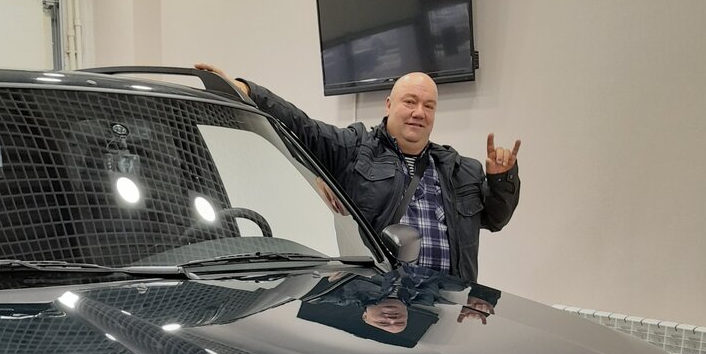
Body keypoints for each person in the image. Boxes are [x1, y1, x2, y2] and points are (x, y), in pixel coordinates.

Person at [194, 64, 521, 284]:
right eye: (410, 102)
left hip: (448, 306)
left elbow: (496, 219)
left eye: (429, 105)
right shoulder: (355, 149)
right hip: (381, 304)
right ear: (389, 104)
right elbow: (303, 128)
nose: (419, 112)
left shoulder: (462, 169)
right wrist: (247, 92)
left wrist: (501, 179)